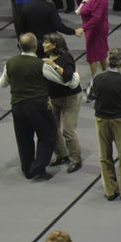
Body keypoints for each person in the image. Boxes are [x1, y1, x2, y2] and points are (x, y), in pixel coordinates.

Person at [41, 34, 81, 173]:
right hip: (54, 98)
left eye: (46, 42)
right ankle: (61, 154)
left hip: (70, 98)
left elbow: (68, 76)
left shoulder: (66, 57)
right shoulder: (43, 56)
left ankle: (76, 160)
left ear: (55, 44)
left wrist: (53, 65)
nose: (43, 45)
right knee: (52, 127)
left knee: (68, 130)